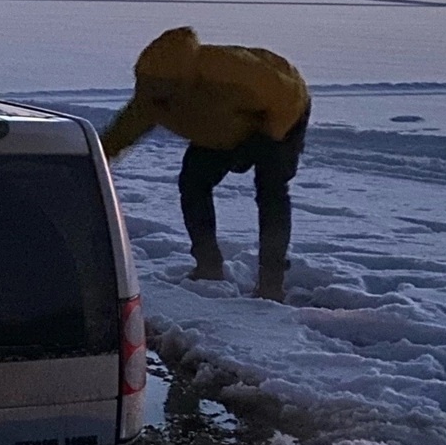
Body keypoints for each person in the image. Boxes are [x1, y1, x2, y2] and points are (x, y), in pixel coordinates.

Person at [100, 26, 310, 301]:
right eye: (152, 90)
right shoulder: (153, 94)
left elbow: (286, 94)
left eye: (166, 92)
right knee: (193, 183)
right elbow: (124, 130)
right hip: (218, 129)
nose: (159, 99)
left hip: (279, 116)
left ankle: (272, 281)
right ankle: (208, 265)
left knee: (271, 191)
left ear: (185, 80)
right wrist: (98, 157)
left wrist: (269, 139)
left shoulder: (231, 71)